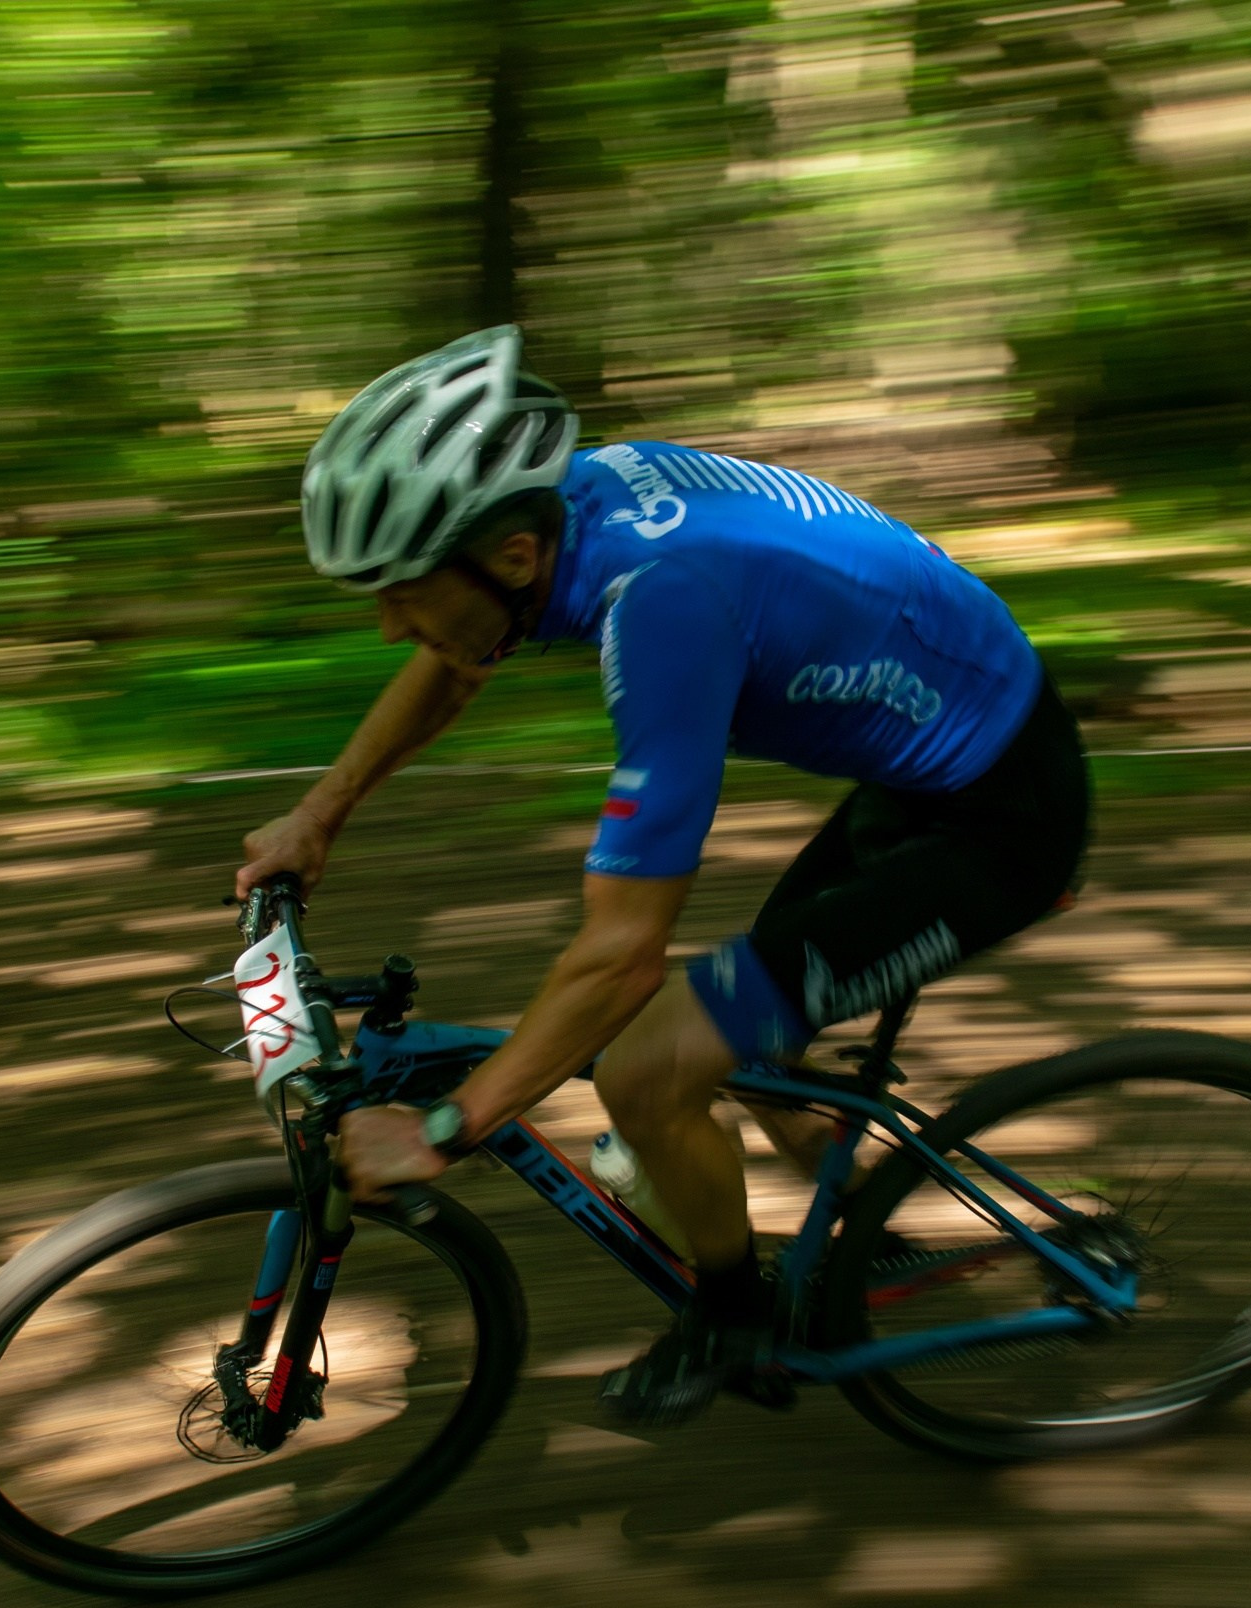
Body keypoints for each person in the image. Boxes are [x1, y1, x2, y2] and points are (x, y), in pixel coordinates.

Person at [234, 325, 1090, 1426]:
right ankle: (871, 1222)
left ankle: (733, 1322)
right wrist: (320, 812)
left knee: (647, 1068)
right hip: (946, 761)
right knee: (743, 1040)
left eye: (401, 592)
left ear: (509, 556)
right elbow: (455, 658)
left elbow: (622, 955)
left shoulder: (664, 603)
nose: (390, 623)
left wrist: (445, 1128)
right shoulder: (562, 508)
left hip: (1002, 819)